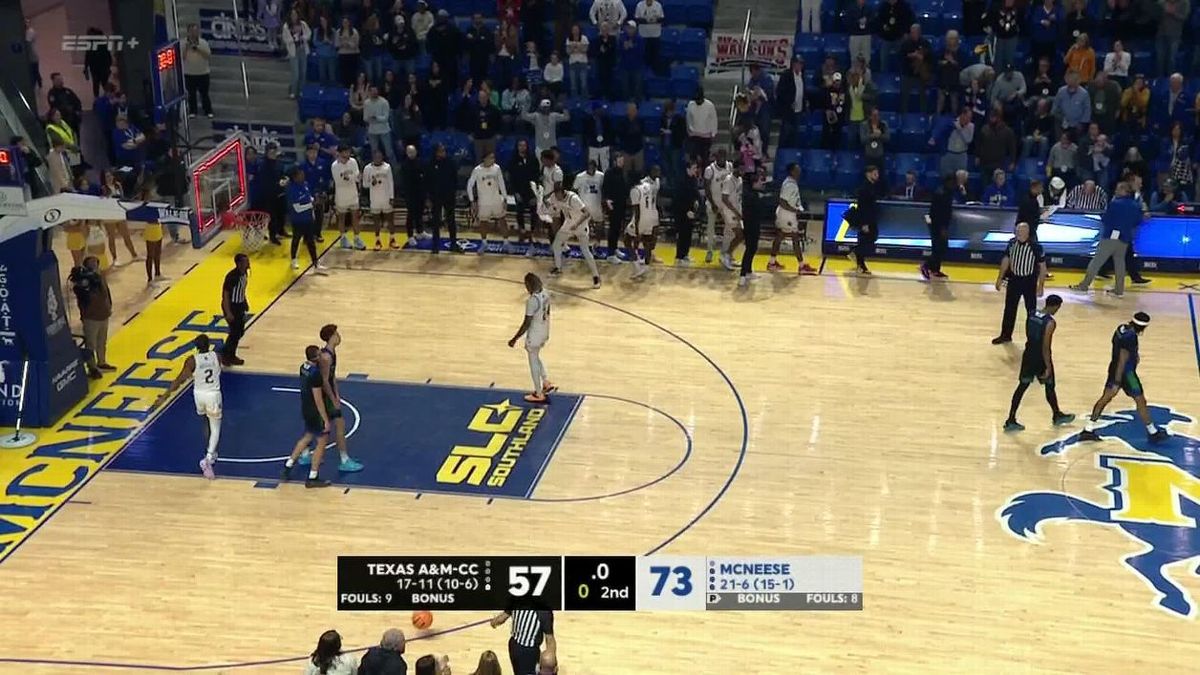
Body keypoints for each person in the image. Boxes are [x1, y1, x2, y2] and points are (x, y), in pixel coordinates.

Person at [1080, 313, 1170, 444]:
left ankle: (1088, 429)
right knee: (1140, 400)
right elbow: (1123, 358)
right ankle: (1153, 432)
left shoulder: (1121, 328)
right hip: (1127, 374)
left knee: (1105, 398)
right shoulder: (1131, 337)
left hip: (1114, 369)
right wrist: (1118, 380)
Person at [297, 324, 364, 472]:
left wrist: (337, 394)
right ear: (332, 337)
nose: (339, 336)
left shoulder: (331, 353)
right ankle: (344, 460)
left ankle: (306, 453)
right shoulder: (326, 357)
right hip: (325, 396)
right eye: (336, 334)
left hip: (328, 394)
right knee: (337, 425)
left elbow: (332, 378)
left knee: (316, 427)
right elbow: (325, 381)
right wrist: (333, 399)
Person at [1003, 294, 1074, 432]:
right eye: (1058, 308)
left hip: (1028, 354)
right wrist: (1048, 366)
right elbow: (1046, 346)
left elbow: (1028, 333)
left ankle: (1011, 419)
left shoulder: (1031, 314)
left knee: (1022, 387)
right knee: (1049, 385)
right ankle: (1056, 415)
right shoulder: (1050, 323)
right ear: (1054, 306)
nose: (1057, 311)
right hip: (1040, 358)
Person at [156, 335, 224, 480]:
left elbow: (180, 379)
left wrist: (165, 395)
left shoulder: (192, 360)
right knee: (216, 428)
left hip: (199, 395)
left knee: (205, 421)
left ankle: (210, 450)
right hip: (213, 394)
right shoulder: (217, 356)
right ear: (209, 344)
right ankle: (208, 459)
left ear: (196, 346)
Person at [1070, 181, 1142, 298]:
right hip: (1125, 237)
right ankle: (1119, 290)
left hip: (1111, 236)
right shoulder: (1135, 205)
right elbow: (1137, 221)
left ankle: (1084, 285)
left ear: (1124, 191)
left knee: (1096, 261)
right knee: (1120, 263)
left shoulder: (1115, 203)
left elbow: (1106, 219)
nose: (1115, 191)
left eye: (1118, 189)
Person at [280, 345, 334, 488]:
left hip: (306, 408)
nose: (322, 356)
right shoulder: (315, 374)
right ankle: (313, 477)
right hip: (315, 412)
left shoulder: (303, 367)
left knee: (307, 437)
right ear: (316, 358)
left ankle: (288, 466)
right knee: (321, 442)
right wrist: (325, 419)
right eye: (319, 354)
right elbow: (318, 399)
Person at [992, 222, 1046, 345]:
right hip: (1014, 280)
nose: (1018, 233)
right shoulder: (1011, 243)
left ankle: (1032, 339)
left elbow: (1042, 267)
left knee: (1031, 311)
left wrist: (1040, 286)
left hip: (1029, 281)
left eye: (1020, 231)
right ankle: (1005, 335)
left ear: (1027, 233)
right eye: (1017, 231)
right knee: (1009, 309)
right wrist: (1000, 278)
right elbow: (1006, 260)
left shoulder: (1036, 247)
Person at [507, 273, 556, 404]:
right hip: (545, 330)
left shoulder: (532, 301)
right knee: (536, 355)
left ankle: (539, 393)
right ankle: (546, 381)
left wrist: (515, 338)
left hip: (535, 334)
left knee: (533, 362)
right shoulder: (545, 293)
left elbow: (526, 323)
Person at [546, 181, 602, 288]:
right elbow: (549, 204)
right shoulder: (554, 197)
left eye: (558, 193)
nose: (556, 195)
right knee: (556, 245)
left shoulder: (573, 198)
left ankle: (596, 276)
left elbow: (587, 213)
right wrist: (544, 203)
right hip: (568, 224)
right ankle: (558, 268)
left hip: (580, 225)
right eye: (555, 192)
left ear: (563, 192)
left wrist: (577, 224)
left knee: (585, 251)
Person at [769, 163, 818, 275]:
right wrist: (794, 210)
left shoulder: (791, 182)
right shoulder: (789, 184)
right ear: (792, 171)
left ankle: (772, 262)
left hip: (786, 214)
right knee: (795, 238)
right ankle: (802, 266)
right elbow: (782, 201)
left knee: (780, 236)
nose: (799, 171)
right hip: (787, 214)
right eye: (797, 170)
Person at [73, 256, 114, 377]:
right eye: (92, 263)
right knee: (91, 344)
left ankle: (102, 362)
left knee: (102, 341)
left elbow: (107, 293)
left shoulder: (100, 278)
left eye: (96, 263)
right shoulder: (84, 283)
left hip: (103, 315)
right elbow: (81, 298)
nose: (94, 265)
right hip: (91, 318)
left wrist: (109, 307)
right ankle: (92, 367)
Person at [491, 602, 556, 675]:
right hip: (529, 651)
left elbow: (501, 619)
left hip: (513, 646)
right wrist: (551, 663)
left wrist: (494, 622)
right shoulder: (543, 610)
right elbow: (549, 639)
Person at [468, 151, 510, 254]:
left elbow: (502, 183)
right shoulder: (477, 170)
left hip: (496, 200)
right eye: (491, 158)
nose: (493, 160)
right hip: (483, 201)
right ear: (484, 158)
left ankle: (506, 243)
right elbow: (469, 185)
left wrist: (505, 198)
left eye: (493, 158)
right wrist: (472, 200)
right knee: (483, 223)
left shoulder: (497, 168)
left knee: (502, 221)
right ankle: (484, 243)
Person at [287, 167, 327, 272]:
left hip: (308, 219)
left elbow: (309, 198)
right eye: (300, 174)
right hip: (298, 220)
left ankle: (316, 263)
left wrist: (315, 199)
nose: (303, 176)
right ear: (295, 177)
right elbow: (297, 208)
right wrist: (311, 205)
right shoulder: (292, 189)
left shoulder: (305, 185)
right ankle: (294, 260)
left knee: (311, 242)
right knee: (296, 239)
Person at [847, 165, 881, 275]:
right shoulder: (864, 188)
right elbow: (863, 206)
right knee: (867, 239)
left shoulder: (872, 187)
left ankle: (860, 264)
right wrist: (864, 223)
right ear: (868, 174)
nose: (877, 176)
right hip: (866, 219)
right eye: (875, 174)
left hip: (870, 218)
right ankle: (856, 255)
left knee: (867, 239)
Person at [426, 143, 459, 254]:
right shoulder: (431, 164)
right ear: (436, 152)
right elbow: (427, 182)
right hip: (435, 197)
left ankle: (453, 244)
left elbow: (455, 178)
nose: (443, 152)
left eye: (444, 150)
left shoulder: (450, 162)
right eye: (441, 151)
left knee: (451, 220)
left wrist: (454, 192)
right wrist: (428, 197)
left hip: (449, 196)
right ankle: (435, 246)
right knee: (436, 221)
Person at [738, 164, 767, 288]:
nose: (762, 183)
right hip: (750, 225)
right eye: (760, 181)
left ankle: (748, 271)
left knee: (753, 248)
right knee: (750, 249)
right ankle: (742, 275)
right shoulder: (750, 196)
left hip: (754, 224)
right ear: (754, 182)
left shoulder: (752, 193)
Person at [702, 150, 733, 264]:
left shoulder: (730, 166)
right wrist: (713, 203)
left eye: (724, 156)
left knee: (729, 228)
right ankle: (709, 251)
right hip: (713, 202)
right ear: (716, 157)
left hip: (726, 203)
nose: (722, 159)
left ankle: (724, 252)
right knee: (711, 229)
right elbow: (706, 188)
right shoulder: (710, 169)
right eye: (720, 156)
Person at [921, 174, 954, 280]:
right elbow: (938, 212)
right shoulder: (941, 193)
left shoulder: (947, 192)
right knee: (939, 248)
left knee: (941, 248)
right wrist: (942, 227)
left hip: (941, 224)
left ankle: (935, 269)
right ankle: (926, 266)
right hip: (938, 225)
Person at [331, 145, 363, 250]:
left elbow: (358, 177)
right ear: (340, 153)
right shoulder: (335, 166)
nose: (347, 154)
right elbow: (339, 181)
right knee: (342, 218)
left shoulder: (353, 162)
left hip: (353, 193)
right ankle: (343, 238)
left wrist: (350, 178)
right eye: (345, 152)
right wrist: (351, 177)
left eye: (348, 152)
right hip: (341, 195)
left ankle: (357, 238)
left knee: (355, 217)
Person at [362, 149, 396, 250]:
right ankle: (377, 240)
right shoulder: (367, 168)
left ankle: (392, 239)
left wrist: (392, 197)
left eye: (380, 157)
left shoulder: (387, 167)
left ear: (382, 157)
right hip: (375, 199)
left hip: (386, 198)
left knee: (390, 219)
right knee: (376, 221)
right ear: (373, 157)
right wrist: (371, 183)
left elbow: (391, 182)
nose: (378, 159)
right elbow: (365, 184)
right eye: (376, 157)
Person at [220, 254, 250, 366]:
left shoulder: (244, 274)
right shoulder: (232, 277)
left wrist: (245, 302)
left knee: (239, 331)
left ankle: (227, 352)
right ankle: (228, 356)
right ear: (239, 263)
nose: (248, 263)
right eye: (245, 261)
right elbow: (225, 295)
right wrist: (228, 312)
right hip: (232, 306)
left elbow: (241, 290)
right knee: (235, 332)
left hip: (239, 305)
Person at [673, 158, 703, 266]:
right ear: (688, 169)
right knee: (682, 234)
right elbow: (678, 198)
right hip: (682, 212)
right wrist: (686, 211)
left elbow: (696, 193)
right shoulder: (681, 180)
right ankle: (679, 257)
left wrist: (697, 202)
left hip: (691, 210)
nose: (695, 170)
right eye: (694, 168)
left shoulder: (693, 180)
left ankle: (685, 254)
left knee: (688, 234)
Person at [601, 152, 631, 261]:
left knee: (618, 228)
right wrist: (607, 200)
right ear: (614, 162)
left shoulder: (623, 172)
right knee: (613, 228)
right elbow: (605, 187)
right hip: (612, 204)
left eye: (622, 161)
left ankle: (615, 248)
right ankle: (610, 254)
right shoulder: (609, 173)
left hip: (621, 204)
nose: (622, 163)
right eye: (620, 161)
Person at [182, 24, 213, 118]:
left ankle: (208, 111)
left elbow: (207, 56)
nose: (193, 33)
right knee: (191, 94)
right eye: (191, 31)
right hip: (189, 73)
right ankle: (192, 111)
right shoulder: (183, 43)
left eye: (195, 31)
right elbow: (182, 57)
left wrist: (198, 48)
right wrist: (187, 48)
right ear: (188, 32)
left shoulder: (203, 43)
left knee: (204, 94)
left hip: (203, 73)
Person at [718, 163, 744, 271]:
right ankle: (726, 255)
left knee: (730, 235)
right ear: (735, 168)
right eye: (741, 168)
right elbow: (724, 198)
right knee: (740, 235)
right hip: (730, 212)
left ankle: (728, 256)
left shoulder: (740, 180)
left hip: (736, 210)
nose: (743, 170)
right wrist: (735, 212)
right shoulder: (728, 180)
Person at [401, 145, 426, 243]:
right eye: (409, 152)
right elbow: (405, 181)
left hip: (420, 192)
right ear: (407, 153)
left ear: (416, 152)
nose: (411, 154)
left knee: (420, 213)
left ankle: (420, 231)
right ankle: (410, 235)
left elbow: (423, 176)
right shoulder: (405, 165)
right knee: (411, 215)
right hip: (410, 194)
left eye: (413, 152)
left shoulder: (420, 162)